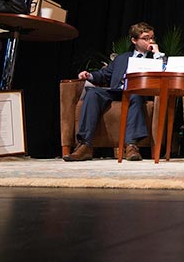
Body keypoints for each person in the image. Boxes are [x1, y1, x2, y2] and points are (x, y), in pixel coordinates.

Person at [64, 22, 160, 162]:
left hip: (136, 92)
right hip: (116, 91)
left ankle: (131, 146)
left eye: (151, 38)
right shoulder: (122, 58)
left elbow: (164, 71)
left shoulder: (154, 58)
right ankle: (85, 145)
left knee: (134, 94)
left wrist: (157, 54)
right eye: (145, 38)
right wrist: (89, 76)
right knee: (93, 93)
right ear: (134, 40)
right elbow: (105, 74)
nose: (150, 41)